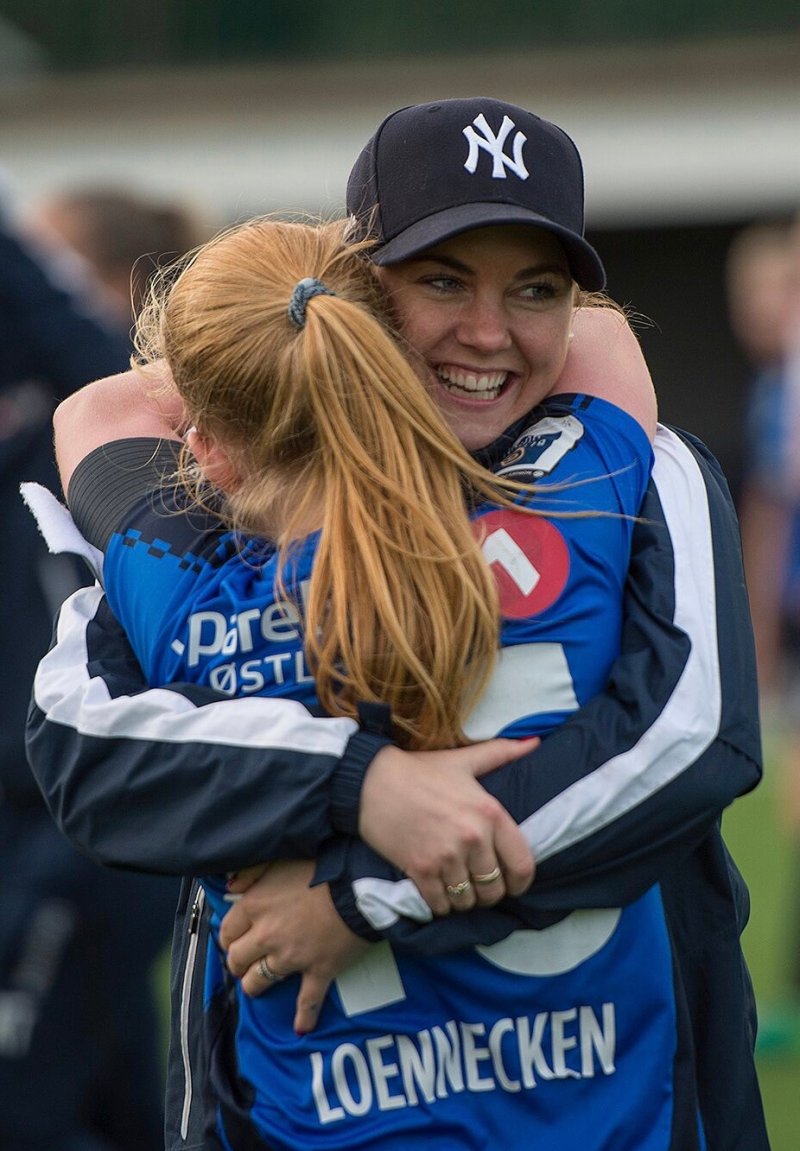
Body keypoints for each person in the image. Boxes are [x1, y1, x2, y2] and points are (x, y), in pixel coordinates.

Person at [26, 98, 767, 1150]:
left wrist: (354, 890)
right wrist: (371, 792)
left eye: (533, 289)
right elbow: (602, 341)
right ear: (358, 298)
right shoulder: (608, 479)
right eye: (439, 280)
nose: (485, 330)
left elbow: (94, 415)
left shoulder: (197, 554)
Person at [0, 200, 176, 1151]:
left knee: (25, 1107)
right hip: (30, 820)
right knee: (123, 1101)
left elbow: (78, 340)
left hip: (79, 819)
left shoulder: (130, 441)